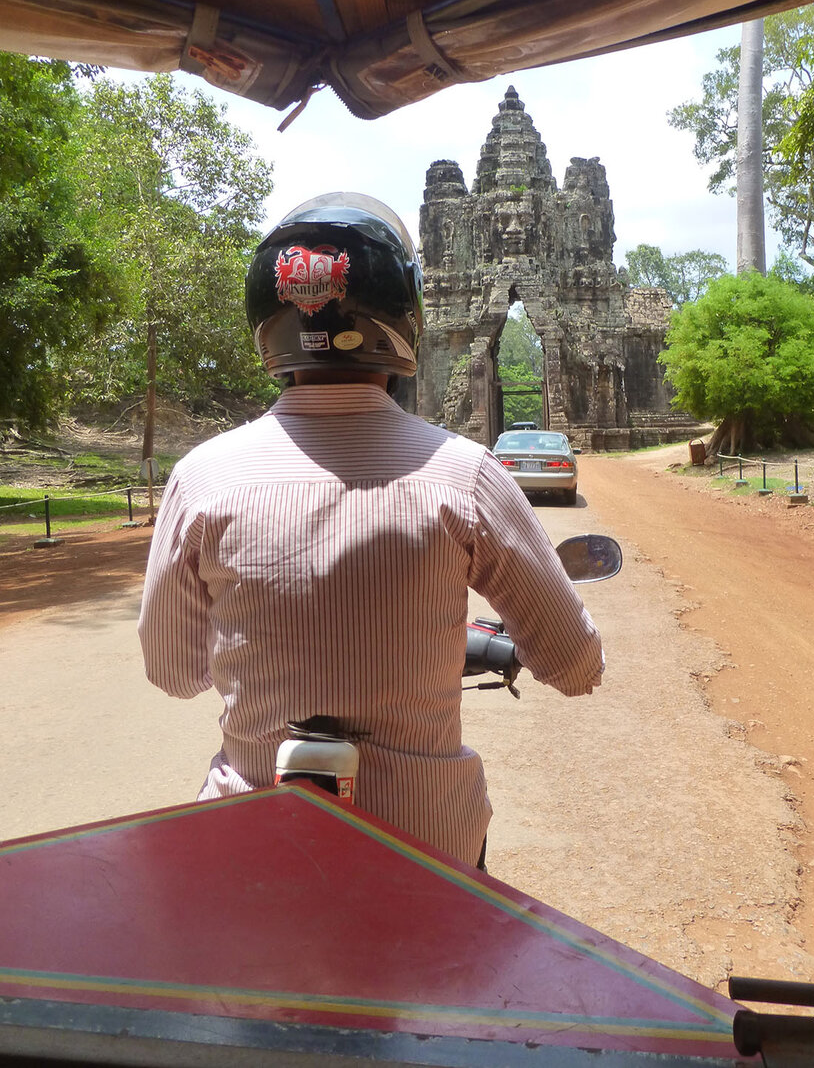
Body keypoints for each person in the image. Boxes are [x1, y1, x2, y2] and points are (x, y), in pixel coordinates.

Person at [138, 192, 604, 868]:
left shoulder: (201, 479)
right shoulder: (464, 476)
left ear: (268, 323)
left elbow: (173, 672)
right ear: (405, 317)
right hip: (427, 850)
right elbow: (575, 664)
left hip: (248, 844)